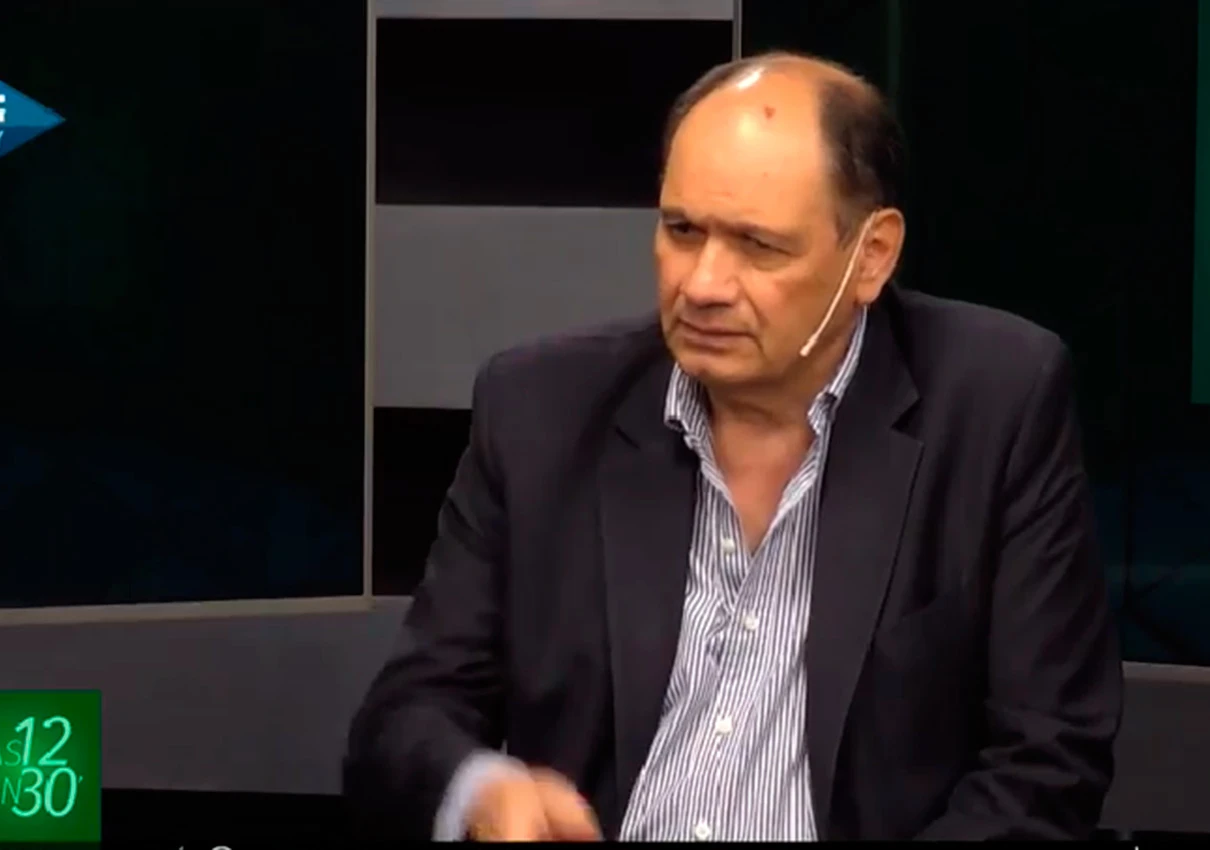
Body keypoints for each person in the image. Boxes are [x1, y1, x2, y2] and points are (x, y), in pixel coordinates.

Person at [344, 51, 1123, 842]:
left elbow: (1048, 760)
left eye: (758, 246)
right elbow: (406, 716)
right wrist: (482, 790)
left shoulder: (994, 404)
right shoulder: (540, 409)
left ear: (872, 256)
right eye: (682, 230)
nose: (703, 285)